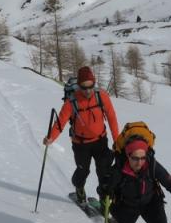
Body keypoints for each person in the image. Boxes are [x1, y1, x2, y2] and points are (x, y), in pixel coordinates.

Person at [43, 66, 119, 203]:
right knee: (82, 172)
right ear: (78, 86)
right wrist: (51, 137)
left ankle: (104, 201)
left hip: (101, 141)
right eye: (84, 87)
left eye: (91, 86)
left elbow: (112, 118)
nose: (88, 90)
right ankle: (79, 188)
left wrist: (117, 141)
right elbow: (60, 122)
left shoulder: (101, 96)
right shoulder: (71, 102)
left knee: (104, 173)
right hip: (81, 144)